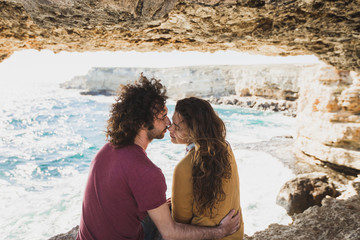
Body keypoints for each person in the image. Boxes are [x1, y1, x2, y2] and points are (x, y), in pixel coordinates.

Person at [77, 74, 240, 240]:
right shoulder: (146, 171)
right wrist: (220, 231)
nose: (168, 123)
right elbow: (170, 234)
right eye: (162, 117)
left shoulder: (106, 150)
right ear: (142, 123)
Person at [168, 97, 244, 240]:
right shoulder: (226, 148)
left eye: (177, 127)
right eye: (172, 123)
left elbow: (179, 223)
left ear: (194, 132)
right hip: (235, 235)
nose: (170, 128)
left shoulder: (184, 168)